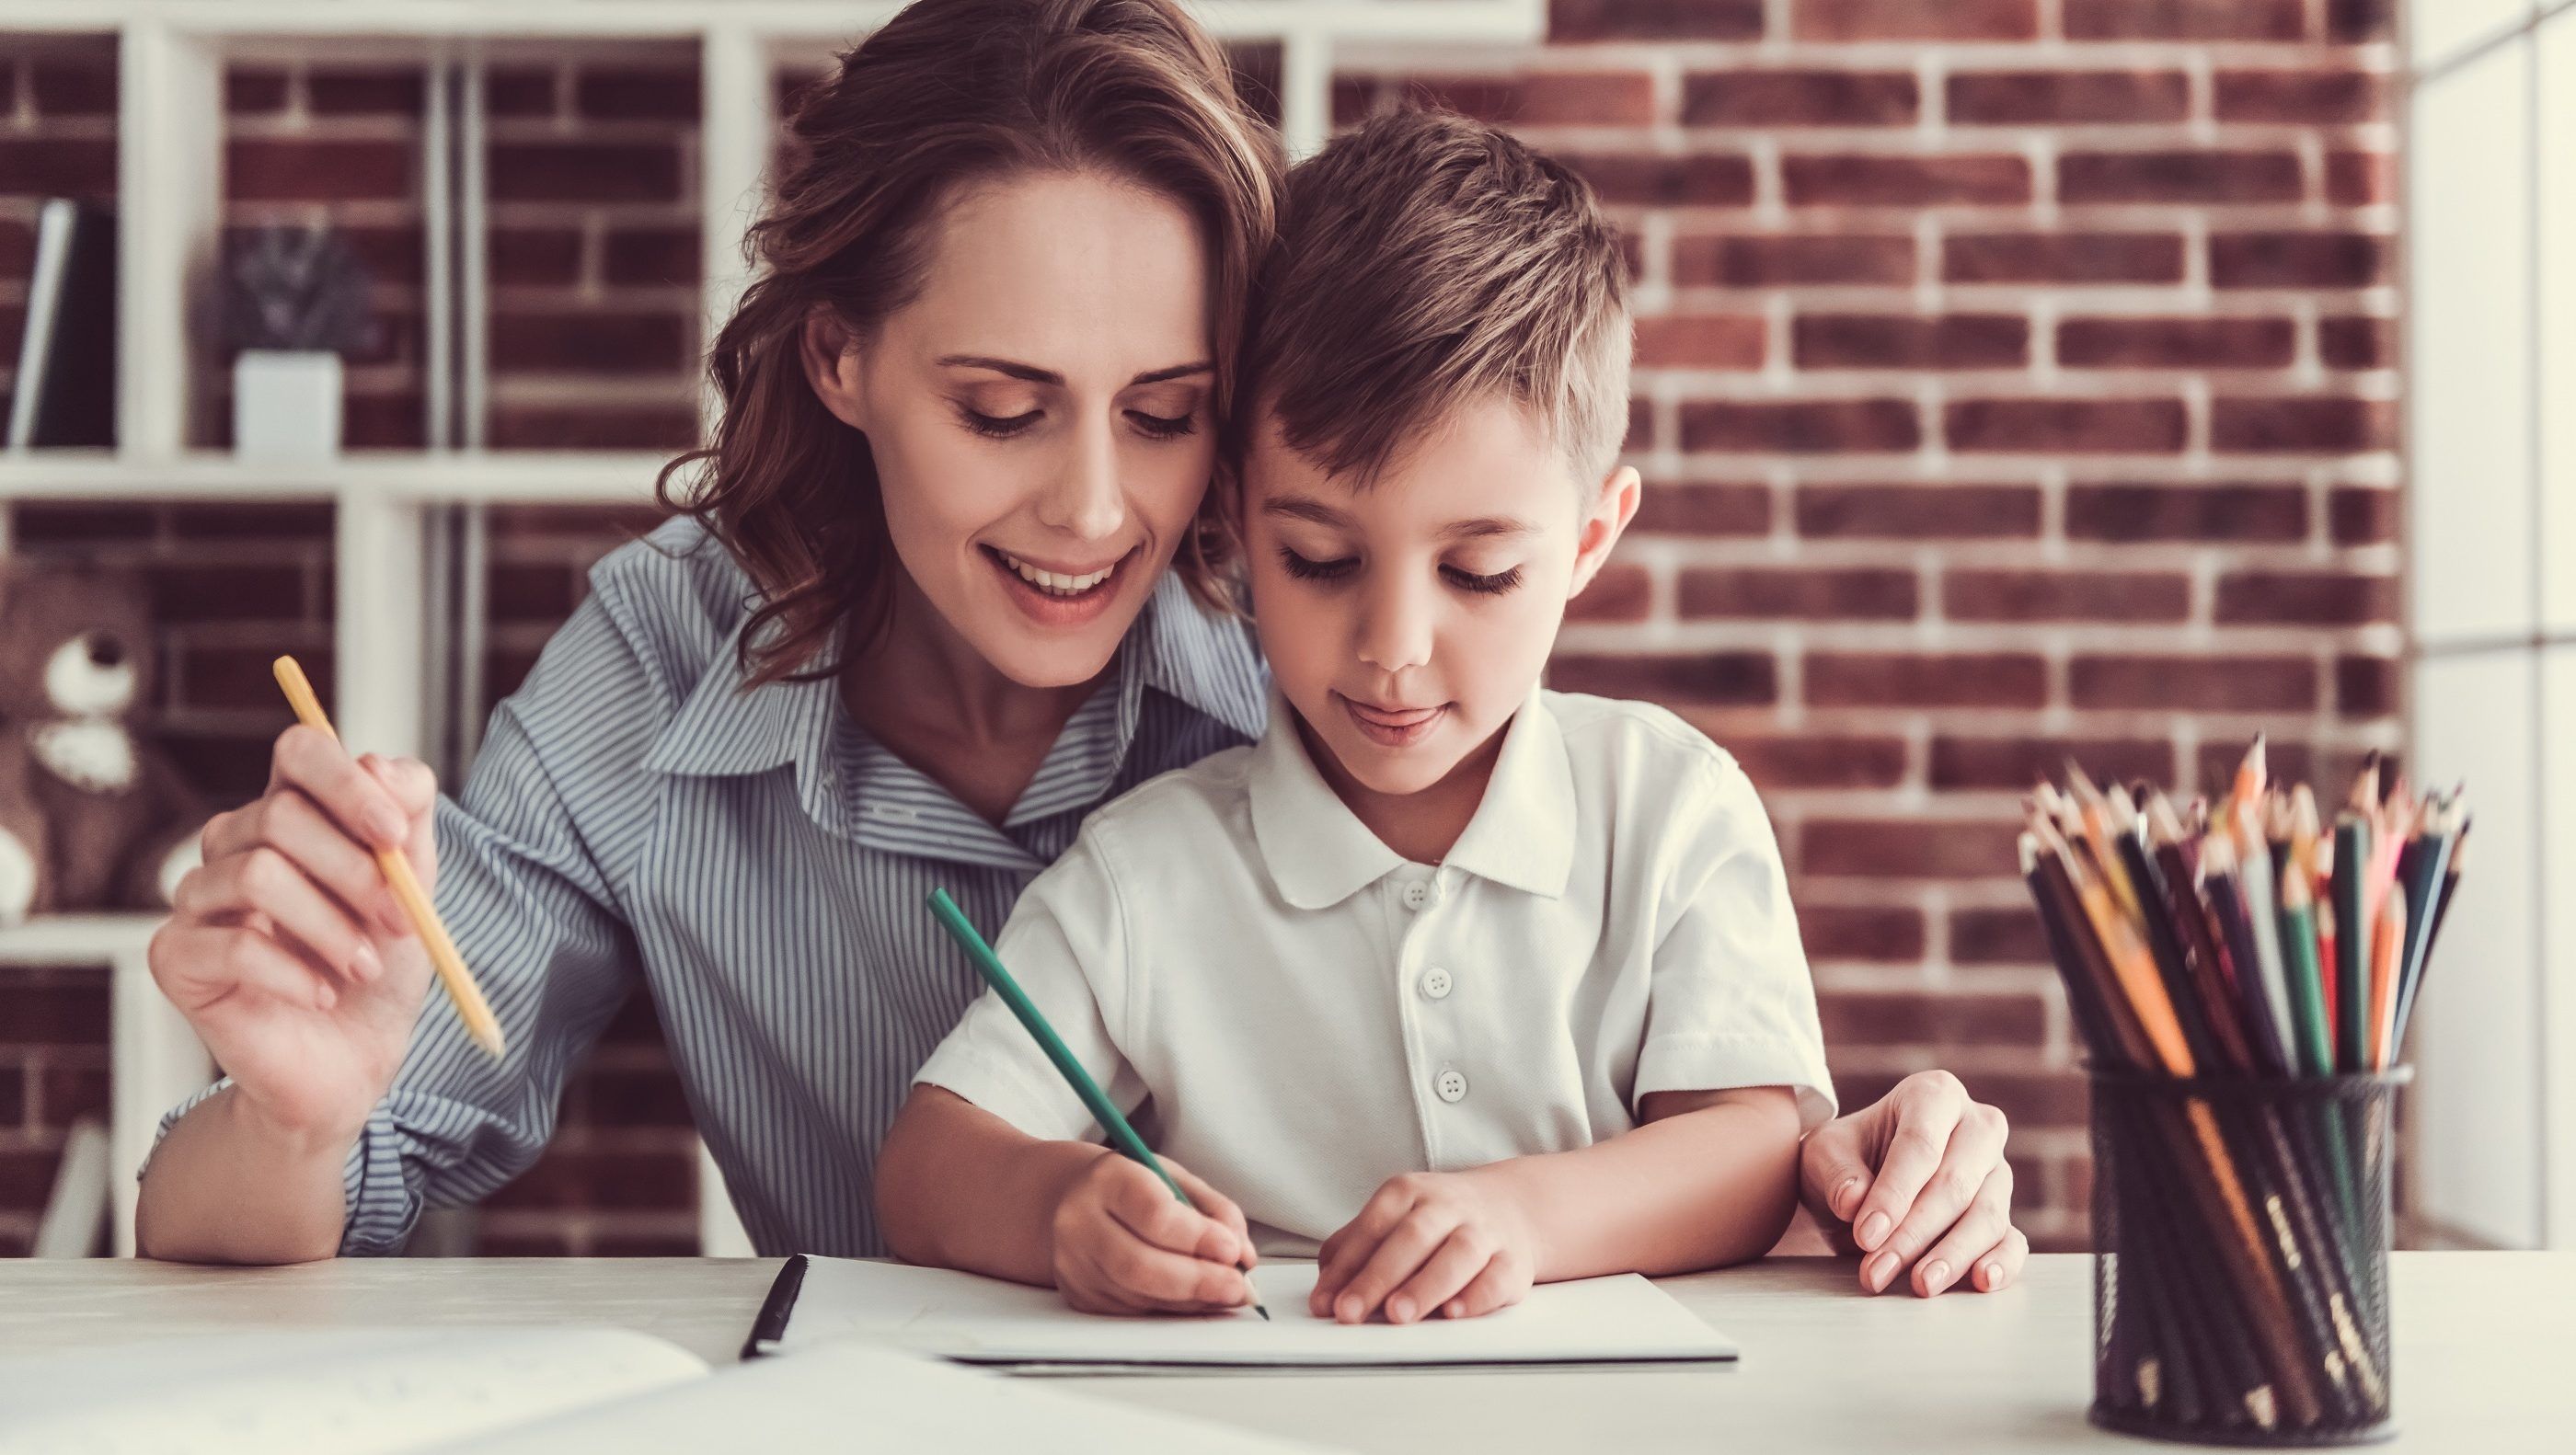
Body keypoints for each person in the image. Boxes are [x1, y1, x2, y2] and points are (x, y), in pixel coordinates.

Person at [134, 0, 2019, 1300]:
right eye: (1003, 403)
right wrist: (298, 1107)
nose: (1099, 512)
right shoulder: (663, 663)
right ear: (840, 357)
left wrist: (1856, 1153)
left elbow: (1670, 1110)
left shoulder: (1313, 631)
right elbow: (270, 1206)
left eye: (1172, 408)